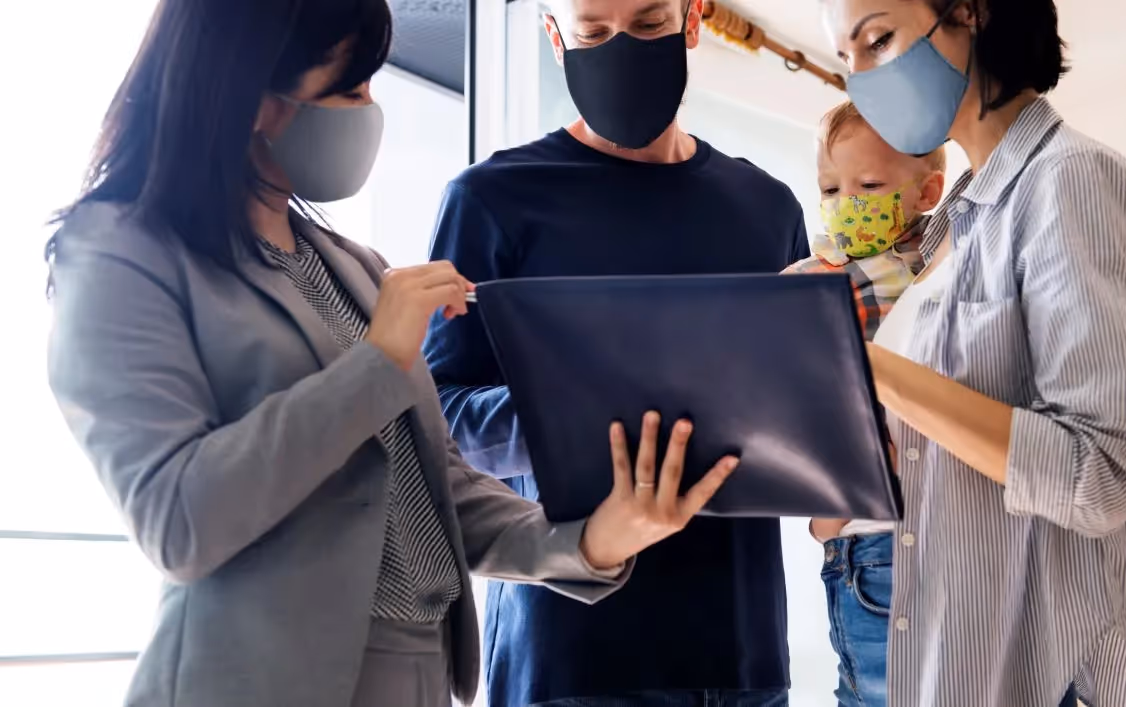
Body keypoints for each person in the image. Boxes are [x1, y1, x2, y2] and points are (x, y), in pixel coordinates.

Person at [43, 1, 740, 706]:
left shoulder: (351, 265)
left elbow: (437, 485)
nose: (369, 112)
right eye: (349, 89)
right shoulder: (116, 250)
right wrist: (377, 362)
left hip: (418, 674)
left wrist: (593, 541)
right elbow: (177, 521)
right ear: (252, 95)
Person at [422, 0, 808, 703]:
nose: (620, 49)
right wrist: (588, 406)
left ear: (693, 20)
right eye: (593, 33)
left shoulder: (769, 207)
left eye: (650, 24)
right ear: (554, 37)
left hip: (743, 657)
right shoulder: (491, 201)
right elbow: (438, 422)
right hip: (572, 655)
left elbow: (800, 414)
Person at [820, 0, 1126, 705]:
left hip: (1085, 674)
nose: (862, 83)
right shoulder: (959, 221)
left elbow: (1099, 474)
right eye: (847, 63)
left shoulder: (1069, 181)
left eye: (877, 41)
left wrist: (858, 362)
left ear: (972, 13)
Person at [784, 99, 945, 707]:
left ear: (927, 191)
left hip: (956, 521)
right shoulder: (807, 283)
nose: (844, 200)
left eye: (869, 185)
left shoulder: (953, 264)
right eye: (830, 186)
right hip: (870, 534)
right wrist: (827, 513)